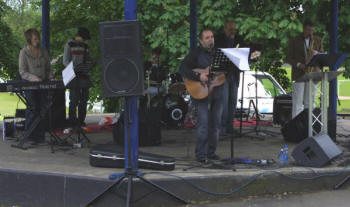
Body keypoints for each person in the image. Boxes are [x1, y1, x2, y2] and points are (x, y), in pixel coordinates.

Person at [179, 29, 225, 163]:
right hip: (202, 91)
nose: (210, 39)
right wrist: (199, 76)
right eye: (207, 38)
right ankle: (201, 155)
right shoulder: (196, 54)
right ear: (201, 41)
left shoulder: (220, 54)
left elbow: (226, 70)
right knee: (203, 124)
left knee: (216, 124)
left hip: (217, 90)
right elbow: (183, 69)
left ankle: (211, 152)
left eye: (212, 37)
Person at [19, 28, 54, 144]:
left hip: (42, 83)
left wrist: (50, 77)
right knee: (32, 109)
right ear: (29, 39)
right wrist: (34, 79)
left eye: (38, 38)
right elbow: (22, 72)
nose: (37, 40)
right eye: (35, 38)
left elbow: (49, 68)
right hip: (29, 84)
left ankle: (40, 136)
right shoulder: (24, 52)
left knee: (42, 109)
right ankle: (29, 136)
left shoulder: (43, 50)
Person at [286, 20, 323, 118]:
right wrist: (299, 65)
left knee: (310, 101)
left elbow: (323, 56)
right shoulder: (294, 40)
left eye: (312, 31)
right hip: (299, 73)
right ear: (303, 29)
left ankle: (308, 126)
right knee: (297, 101)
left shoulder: (318, 40)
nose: (310, 33)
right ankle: (296, 127)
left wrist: (317, 54)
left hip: (313, 73)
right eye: (308, 30)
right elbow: (288, 58)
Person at [215, 20, 246, 136]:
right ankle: (222, 127)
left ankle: (230, 126)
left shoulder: (239, 39)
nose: (233, 32)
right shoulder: (218, 39)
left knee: (233, 101)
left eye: (234, 29)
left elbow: (243, 55)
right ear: (225, 29)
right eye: (230, 29)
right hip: (223, 74)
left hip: (234, 74)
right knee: (224, 101)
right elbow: (215, 55)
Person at [63, 27, 93, 126]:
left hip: (84, 75)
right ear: (79, 36)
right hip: (73, 76)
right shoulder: (69, 45)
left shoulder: (85, 46)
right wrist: (74, 69)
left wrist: (90, 64)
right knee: (74, 99)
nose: (85, 41)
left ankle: (81, 120)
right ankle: (72, 121)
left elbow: (89, 59)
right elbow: (65, 61)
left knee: (84, 99)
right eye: (84, 38)